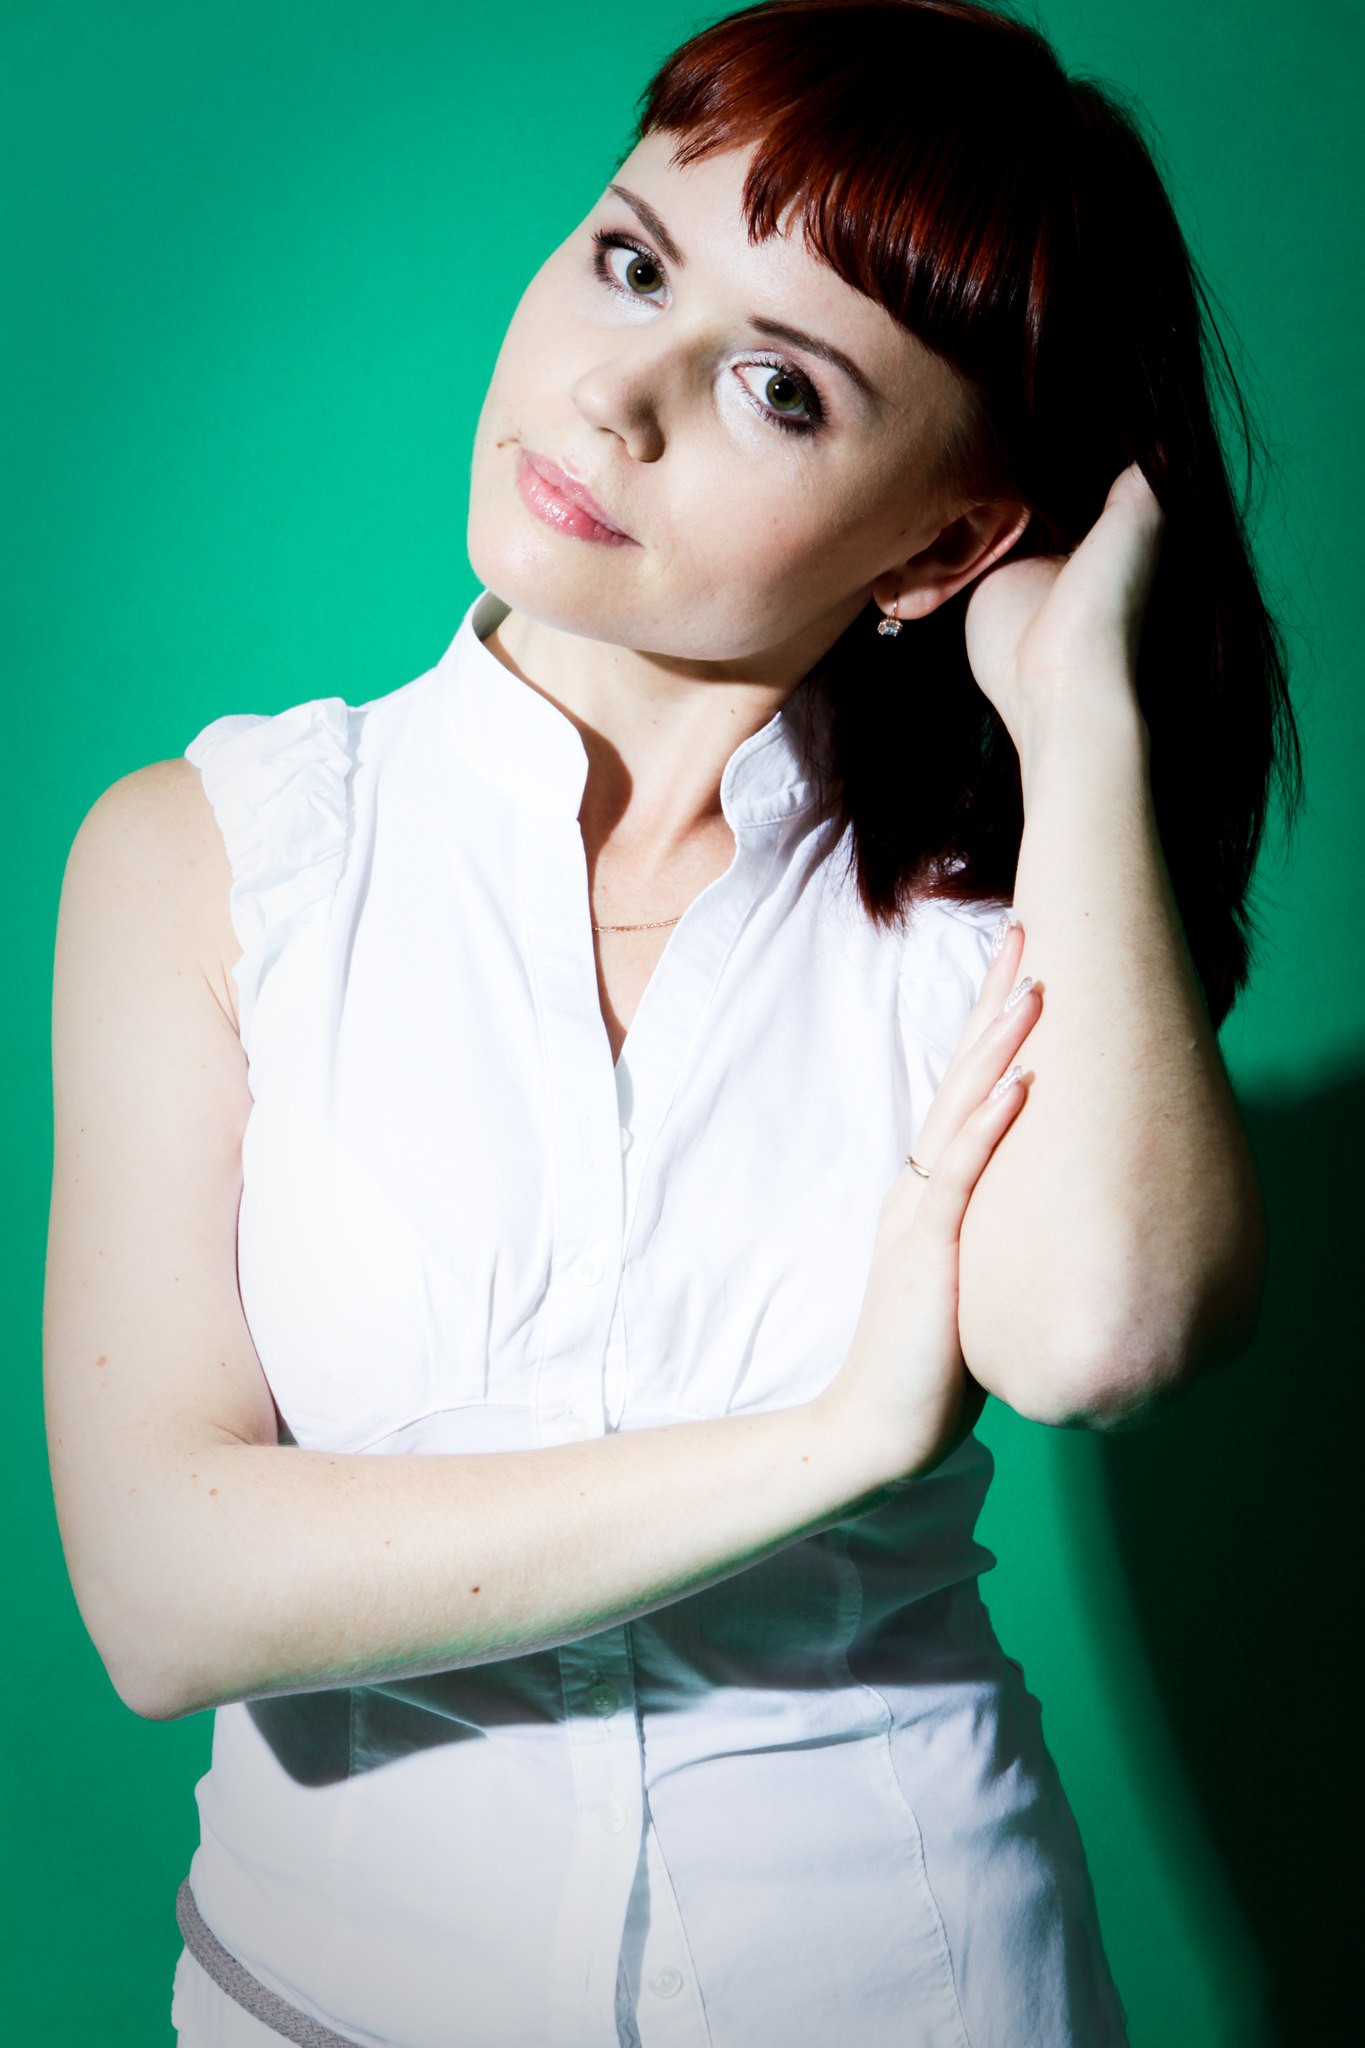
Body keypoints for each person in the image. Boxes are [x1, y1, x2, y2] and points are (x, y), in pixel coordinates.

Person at [42, 2, 1296, 2043]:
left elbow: (1102, 1334)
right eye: (631, 261)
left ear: (939, 543)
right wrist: (830, 1443)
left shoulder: (978, 932)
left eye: (776, 387)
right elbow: (162, 1592)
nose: (611, 397)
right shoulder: (210, 859)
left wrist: (1074, 716)